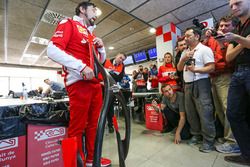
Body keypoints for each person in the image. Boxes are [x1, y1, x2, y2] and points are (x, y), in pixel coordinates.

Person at [47, 1, 111, 166]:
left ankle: (91, 159)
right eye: (93, 9)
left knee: (94, 126)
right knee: (77, 127)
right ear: (82, 10)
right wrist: (80, 66)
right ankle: (73, 164)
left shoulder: (90, 34)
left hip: (96, 85)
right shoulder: (69, 24)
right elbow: (52, 49)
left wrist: (102, 49)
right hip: (79, 84)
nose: (96, 14)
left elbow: (100, 63)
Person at [203, 16, 240, 154]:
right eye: (220, 26)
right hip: (213, 77)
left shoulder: (232, 40)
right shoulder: (214, 40)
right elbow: (206, 55)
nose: (223, 28)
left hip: (225, 76)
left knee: (227, 109)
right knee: (219, 110)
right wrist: (207, 39)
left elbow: (228, 60)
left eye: (226, 25)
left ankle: (233, 141)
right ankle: (227, 138)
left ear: (233, 27)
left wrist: (223, 42)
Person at [177, 27, 216, 153]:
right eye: (185, 36)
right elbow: (179, 68)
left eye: (188, 36)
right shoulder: (185, 52)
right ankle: (196, 134)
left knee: (205, 111)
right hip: (187, 84)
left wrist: (196, 70)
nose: (185, 38)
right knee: (191, 112)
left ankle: (209, 140)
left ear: (197, 36)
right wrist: (183, 58)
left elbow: (211, 67)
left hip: (201, 83)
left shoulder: (205, 49)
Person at [222, 0, 250, 165]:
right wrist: (243, 40)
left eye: (237, 3)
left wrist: (237, 40)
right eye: (231, 5)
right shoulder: (238, 28)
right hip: (238, 73)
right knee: (233, 114)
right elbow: (228, 57)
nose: (233, 7)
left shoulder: (236, 33)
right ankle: (247, 154)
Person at [103, 53, 126, 133]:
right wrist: (113, 74)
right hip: (102, 87)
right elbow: (100, 73)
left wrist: (109, 74)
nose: (121, 60)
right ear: (116, 56)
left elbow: (119, 78)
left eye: (123, 60)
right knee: (101, 107)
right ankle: (100, 125)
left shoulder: (122, 66)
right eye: (120, 58)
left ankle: (110, 125)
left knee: (110, 107)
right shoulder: (106, 61)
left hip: (112, 88)